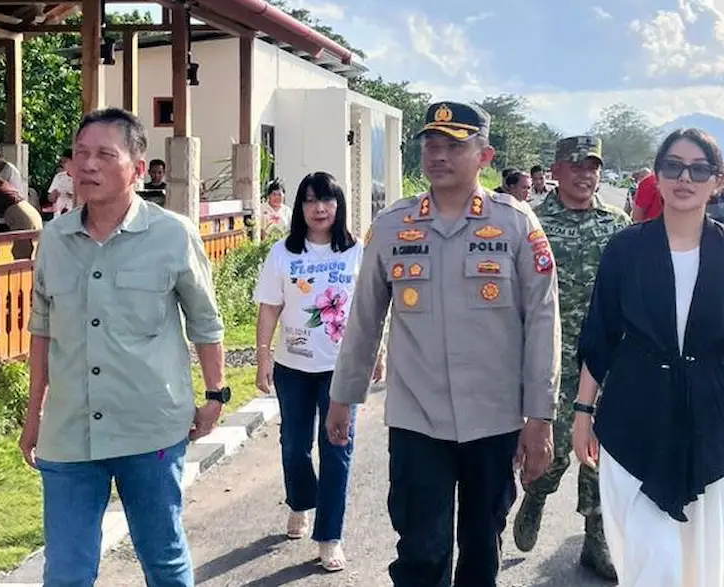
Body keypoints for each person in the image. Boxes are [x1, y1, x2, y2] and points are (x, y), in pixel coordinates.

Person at [324, 101, 560, 587]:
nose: (439, 155)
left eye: (454, 145)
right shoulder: (393, 225)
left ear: (484, 156)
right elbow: (364, 319)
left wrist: (540, 418)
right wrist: (342, 397)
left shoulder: (516, 225)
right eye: (431, 144)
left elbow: (542, 325)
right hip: (417, 420)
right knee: (419, 554)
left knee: (480, 551)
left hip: (493, 421)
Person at [19, 108, 227, 587]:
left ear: (137, 167)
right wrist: (34, 415)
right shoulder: (54, 239)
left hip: (150, 428)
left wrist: (216, 394)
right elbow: (42, 330)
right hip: (70, 431)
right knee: (66, 572)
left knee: (163, 559)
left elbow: (204, 322)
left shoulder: (172, 235)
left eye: (104, 155)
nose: (87, 165)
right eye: (81, 154)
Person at [573, 128, 724, 587]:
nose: (684, 178)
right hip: (634, 411)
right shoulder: (625, 249)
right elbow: (601, 333)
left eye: (698, 169)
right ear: (656, 176)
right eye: (672, 166)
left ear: (717, 182)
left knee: (702, 559)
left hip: (711, 415)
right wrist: (582, 410)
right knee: (648, 559)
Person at [514, 135, 629, 580]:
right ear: (556, 170)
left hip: (606, 361)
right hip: (551, 360)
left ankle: (595, 540)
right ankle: (538, 494)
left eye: (593, 166)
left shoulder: (617, 223)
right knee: (557, 450)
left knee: (602, 451)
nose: (585, 175)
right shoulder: (534, 222)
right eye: (576, 166)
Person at [253, 171, 380, 571]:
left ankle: (329, 535)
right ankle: (300, 501)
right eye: (309, 200)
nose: (319, 208)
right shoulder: (283, 253)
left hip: (342, 369)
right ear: (300, 207)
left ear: (338, 205)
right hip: (293, 366)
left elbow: (370, 306)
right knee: (294, 446)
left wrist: (377, 351)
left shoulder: (355, 251)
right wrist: (262, 357)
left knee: (337, 448)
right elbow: (269, 307)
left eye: (326, 200)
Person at [0, 162, 43, 259]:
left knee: (20, 259)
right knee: (32, 257)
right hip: (30, 212)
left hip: (21, 218)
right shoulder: (0, 182)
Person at [48, 149, 76, 217]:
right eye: (62, 162)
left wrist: (73, 196)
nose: (63, 164)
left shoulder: (81, 178)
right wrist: (54, 195)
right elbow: (50, 198)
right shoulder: (59, 177)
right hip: (59, 216)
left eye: (65, 161)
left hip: (74, 215)